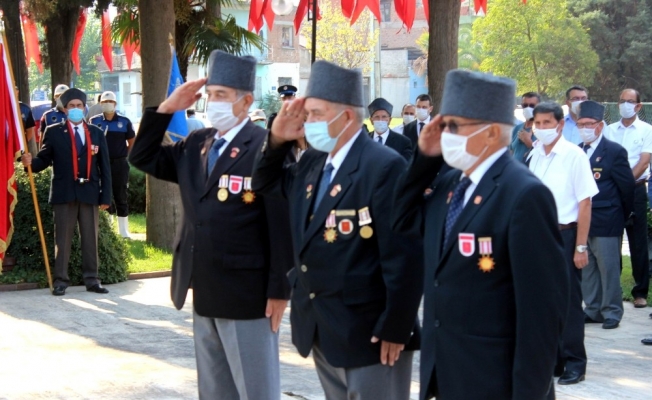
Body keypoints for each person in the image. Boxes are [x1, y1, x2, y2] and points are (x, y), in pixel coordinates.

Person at [392, 69, 568, 400]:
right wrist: (425, 160)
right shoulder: (450, 184)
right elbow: (401, 222)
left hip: (494, 379)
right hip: (447, 372)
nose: (445, 134)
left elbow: (542, 314)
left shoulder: (524, 195)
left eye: (454, 127)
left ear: (489, 134)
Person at [252, 60, 423, 400]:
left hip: (370, 333)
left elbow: (404, 254)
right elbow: (265, 183)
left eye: (315, 114)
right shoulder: (315, 162)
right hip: (322, 326)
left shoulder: (383, 166)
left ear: (346, 117)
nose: (307, 122)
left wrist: (397, 326)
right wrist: (276, 140)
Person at [128, 50, 293, 400]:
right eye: (210, 94)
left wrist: (280, 290)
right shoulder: (197, 145)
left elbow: (281, 225)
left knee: (255, 390)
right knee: (215, 391)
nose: (212, 102)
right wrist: (166, 109)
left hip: (250, 295)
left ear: (246, 101)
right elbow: (141, 157)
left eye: (221, 95)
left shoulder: (264, 148)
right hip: (204, 288)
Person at [528, 101, 598, 385]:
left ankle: (574, 362)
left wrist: (581, 246)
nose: (542, 128)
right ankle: (553, 357)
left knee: (568, 302)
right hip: (537, 236)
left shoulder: (573, 155)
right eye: (538, 123)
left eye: (548, 123)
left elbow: (585, 203)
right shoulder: (534, 155)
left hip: (565, 235)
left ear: (560, 124)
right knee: (543, 302)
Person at [21, 88, 112, 296]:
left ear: (84, 107)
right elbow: (43, 160)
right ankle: (61, 280)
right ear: (65, 109)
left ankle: (92, 280)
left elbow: (105, 167)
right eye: (72, 106)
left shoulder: (96, 132)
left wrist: (106, 196)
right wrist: (29, 163)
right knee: (62, 240)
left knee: (90, 239)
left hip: (89, 193)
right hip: (64, 193)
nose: (76, 109)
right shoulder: (53, 131)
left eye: (79, 106)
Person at [576, 101, 635, 330]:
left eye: (588, 124)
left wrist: (623, 213)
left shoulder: (613, 151)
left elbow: (627, 186)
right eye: (581, 124)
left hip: (607, 217)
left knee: (608, 267)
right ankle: (593, 309)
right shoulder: (578, 150)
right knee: (588, 267)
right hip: (584, 219)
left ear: (599, 126)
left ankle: (612, 310)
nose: (584, 128)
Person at [605, 88, 652, 308]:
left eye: (630, 101)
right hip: (612, 192)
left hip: (636, 190)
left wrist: (624, 183)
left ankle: (640, 292)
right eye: (622, 101)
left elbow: (643, 162)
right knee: (611, 240)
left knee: (638, 242)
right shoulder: (608, 131)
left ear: (638, 106)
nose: (625, 104)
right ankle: (612, 292)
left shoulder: (646, 130)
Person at [88, 91, 136, 238]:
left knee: (120, 194)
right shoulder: (94, 121)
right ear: (100, 104)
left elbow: (132, 142)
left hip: (119, 163)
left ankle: (123, 231)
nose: (107, 104)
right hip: (100, 164)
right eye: (104, 102)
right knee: (103, 194)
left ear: (115, 104)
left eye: (110, 102)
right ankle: (107, 229)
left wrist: (123, 156)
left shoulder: (125, 121)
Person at [510, 92, 540, 162]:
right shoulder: (516, 129)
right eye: (525, 105)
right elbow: (510, 152)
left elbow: (544, 155)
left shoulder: (543, 130)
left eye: (532, 105)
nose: (528, 108)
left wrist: (529, 142)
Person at [15, 86, 37, 155]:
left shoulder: (25, 109)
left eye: (15, 89)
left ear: (17, 92)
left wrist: (22, 143)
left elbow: (30, 130)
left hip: (19, 147)